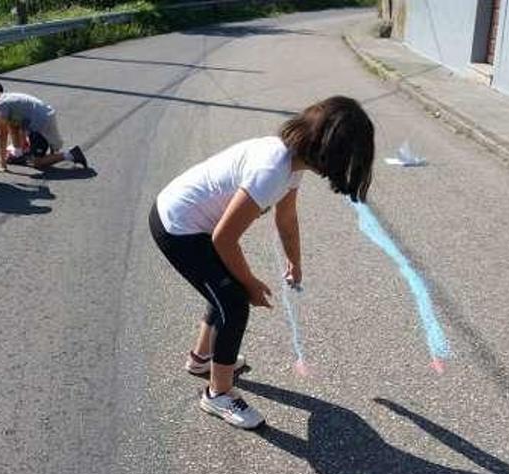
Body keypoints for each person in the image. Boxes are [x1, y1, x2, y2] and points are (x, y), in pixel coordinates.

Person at [149, 96, 375, 430]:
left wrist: (294, 261)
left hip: (189, 222)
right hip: (177, 227)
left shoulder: (292, 162)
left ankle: (201, 360)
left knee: (226, 289)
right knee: (235, 300)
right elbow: (224, 239)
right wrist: (251, 284)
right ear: (330, 153)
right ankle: (218, 394)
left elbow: (286, 217)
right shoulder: (272, 170)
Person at [0, 79, 88, 171]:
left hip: (41, 124)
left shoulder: (2, 105)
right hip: (45, 117)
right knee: (12, 125)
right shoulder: (6, 98)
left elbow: (3, 135)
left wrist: (2, 161)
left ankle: (71, 154)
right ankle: (19, 152)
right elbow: (15, 125)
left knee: (36, 163)